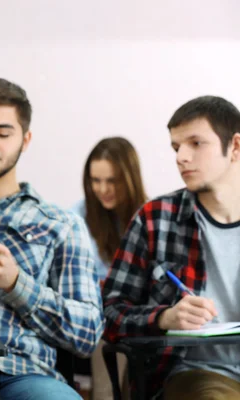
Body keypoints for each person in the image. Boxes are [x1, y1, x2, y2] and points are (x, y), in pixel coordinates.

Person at [0, 78, 103, 400]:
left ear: (25, 140)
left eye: (2, 132)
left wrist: (16, 283)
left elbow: (88, 334)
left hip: (20, 375)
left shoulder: (61, 224)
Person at [102, 95, 240, 400]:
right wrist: (164, 318)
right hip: (197, 373)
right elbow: (109, 314)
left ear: (235, 147)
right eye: (177, 147)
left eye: (195, 143)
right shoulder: (155, 219)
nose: (181, 157)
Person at [71, 136, 147, 400]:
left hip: (139, 313)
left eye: (112, 180)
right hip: (100, 315)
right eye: (96, 181)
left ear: (129, 178)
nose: (103, 189)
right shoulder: (77, 216)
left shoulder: (150, 216)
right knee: (107, 331)